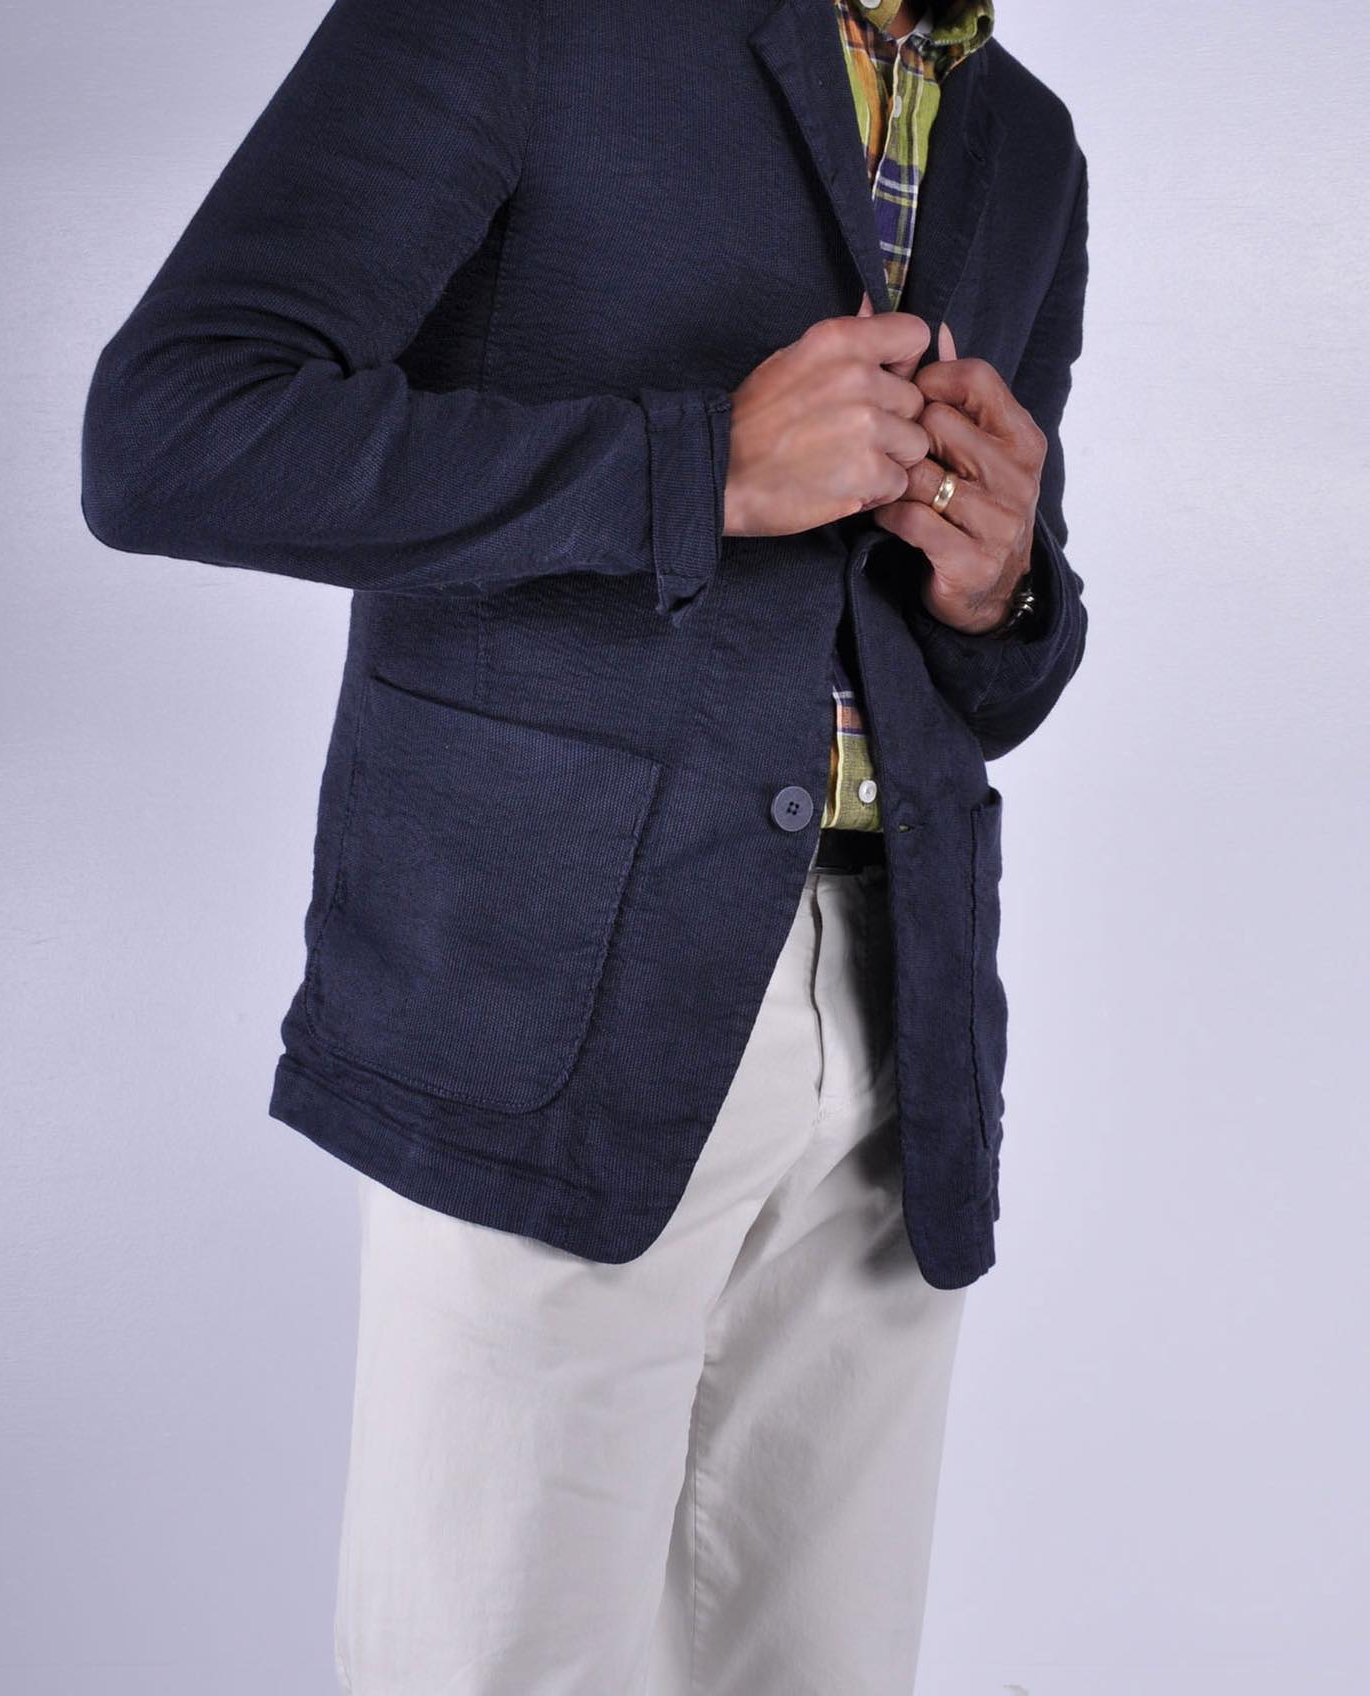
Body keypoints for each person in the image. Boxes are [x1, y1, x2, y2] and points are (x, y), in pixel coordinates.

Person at [80, 0, 1090, 1688]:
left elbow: (985, 674)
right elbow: (171, 433)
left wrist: (1006, 589)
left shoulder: (1029, 137)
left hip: (900, 1044)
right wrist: (695, 465)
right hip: (554, 988)